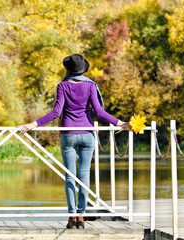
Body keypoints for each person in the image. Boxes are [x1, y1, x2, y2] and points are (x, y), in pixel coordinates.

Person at [18, 53, 131, 229]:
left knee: (70, 175)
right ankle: (81, 215)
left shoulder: (62, 86)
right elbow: (99, 113)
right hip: (87, 134)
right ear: (83, 69)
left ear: (68, 70)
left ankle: (72, 216)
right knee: (84, 174)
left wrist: (33, 124)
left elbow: (56, 113)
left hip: (68, 133)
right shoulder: (91, 85)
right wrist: (121, 123)